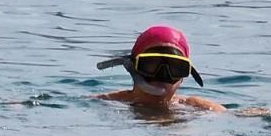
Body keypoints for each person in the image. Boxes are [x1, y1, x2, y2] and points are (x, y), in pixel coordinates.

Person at [95, 25, 226, 112]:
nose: (162, 76)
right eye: (151, 65)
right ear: (132, 68)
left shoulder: (199, 108)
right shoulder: (106, 102)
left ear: (182, 78)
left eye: (175, 68)